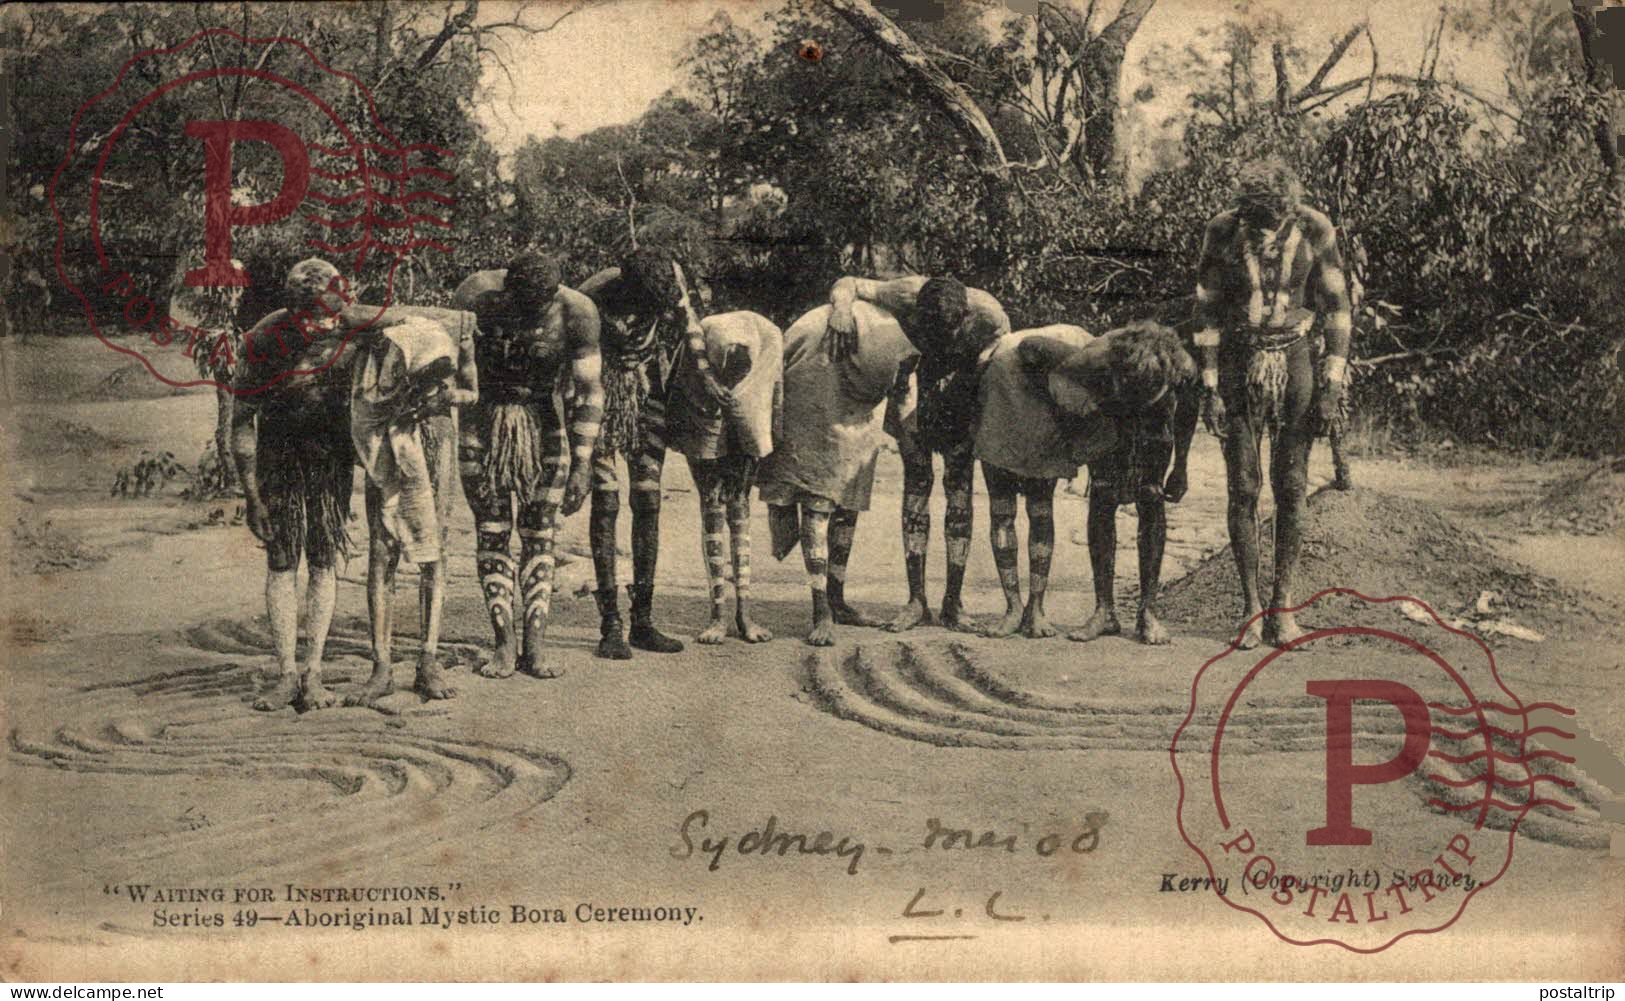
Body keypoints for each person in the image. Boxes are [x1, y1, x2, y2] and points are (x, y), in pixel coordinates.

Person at [1192, 158, 1355, 649]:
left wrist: (1331, 385)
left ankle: (1283, 608)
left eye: (1272, 219)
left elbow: (1339, 308)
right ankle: (1249, 607)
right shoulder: (1222, 230)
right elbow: (1206, 307)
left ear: (1288, 208)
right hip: (1241, 363)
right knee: (1243, 485)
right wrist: (1209, 385)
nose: (1263, 229)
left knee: (1291, 483)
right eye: (1255, 219)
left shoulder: (1314, 227)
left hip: (1297, 360)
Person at [824, 275, 1010, 633]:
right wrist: (842, 308)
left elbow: (1000, 352)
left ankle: (953, 602)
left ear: (965, 317)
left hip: (964, 390)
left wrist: (975, 384)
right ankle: (916, 600)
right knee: (917, 486)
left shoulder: (988, 313)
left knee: (959, 492)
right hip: (915, 386)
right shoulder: (904, 293)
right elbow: (847, 282)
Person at [450, 252, 603, 679]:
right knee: (493, 531)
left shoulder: (577, 312)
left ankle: (534, 645)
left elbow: (590, 391)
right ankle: (504, 643)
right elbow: (457, 374)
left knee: (540, 533)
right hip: (482, 425)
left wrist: (583, 462)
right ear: (508, 290)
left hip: (545, 426)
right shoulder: (474, 297)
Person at [229, 259, 361, 712]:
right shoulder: (264, 339)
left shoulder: (353, 330)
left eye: (330, 314)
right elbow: (242, 423)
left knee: (324, 559)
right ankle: (286, 672)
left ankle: (315, 672)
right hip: (279, 461)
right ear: (292, 309)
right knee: (283, 562)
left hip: (332, 461)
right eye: (312, 316)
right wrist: (251, 495)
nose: (322, 324)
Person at [758, 301, 919, 646]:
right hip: (813, 394)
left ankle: (837, 598)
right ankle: (821, 610)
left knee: (847, 499)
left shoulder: (898, 340)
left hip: (860, 411)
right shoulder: (822, 330)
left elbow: (903, 395)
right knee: (817, 501)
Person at [346, 305, 478, 705]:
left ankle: (428, 659)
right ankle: (381, 665)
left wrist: (445, 397)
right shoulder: (379, 356)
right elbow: (363, 411)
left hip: (435, 440)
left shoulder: (449, 340)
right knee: (383, 549)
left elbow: (473, 390)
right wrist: (398, 405)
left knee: (433, 552)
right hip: (388, 439)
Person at [573, 251, 695, 660]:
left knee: (648, 498)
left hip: (646, 393)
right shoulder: (592, 296)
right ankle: (610, 624)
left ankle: (642, 620)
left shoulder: (668, 287)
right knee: (605, 501)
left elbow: (688, 332)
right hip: (600, 395)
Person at [663, 265, 784, 644]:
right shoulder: (699, 345)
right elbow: (682, 403)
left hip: (748, 410)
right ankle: (718, 611)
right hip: (703, 415)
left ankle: (744, 612)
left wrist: (756, 432)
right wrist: (713, 397)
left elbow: (772, 402)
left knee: (741, 511)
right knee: (714, 508)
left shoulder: (766, 337)